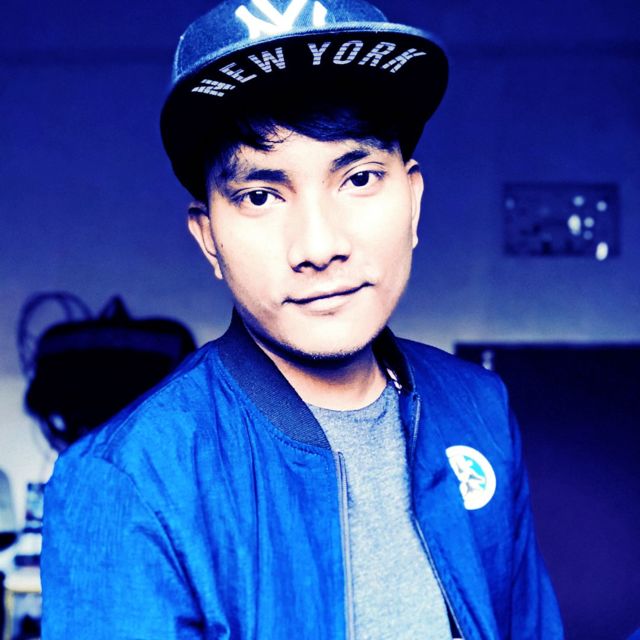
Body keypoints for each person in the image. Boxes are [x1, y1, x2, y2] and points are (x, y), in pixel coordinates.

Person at [41, 0, 564, 638]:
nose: (319, 246)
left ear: (413, 200)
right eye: (261, 195)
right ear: (209, 239)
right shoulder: (127, 479)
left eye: (359, 179)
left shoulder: (477, 407)